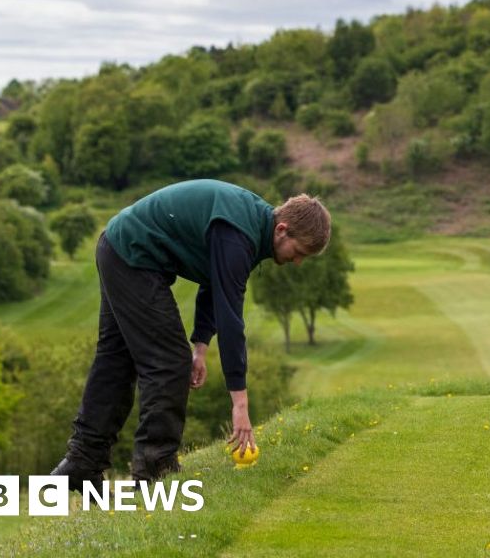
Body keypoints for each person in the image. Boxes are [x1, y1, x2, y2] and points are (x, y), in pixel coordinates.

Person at [50, 179, 331, 490]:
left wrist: (200, 348)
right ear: (282, 229)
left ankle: (80, 465)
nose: (298, 261)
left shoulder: (250, 228)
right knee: (169, 363)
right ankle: (155, 470)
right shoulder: (239, 235)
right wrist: (239, 404)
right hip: (132, 256)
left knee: (116, 361)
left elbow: (214, 285)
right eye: (299, 251)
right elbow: (231, 321)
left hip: (118, 247)